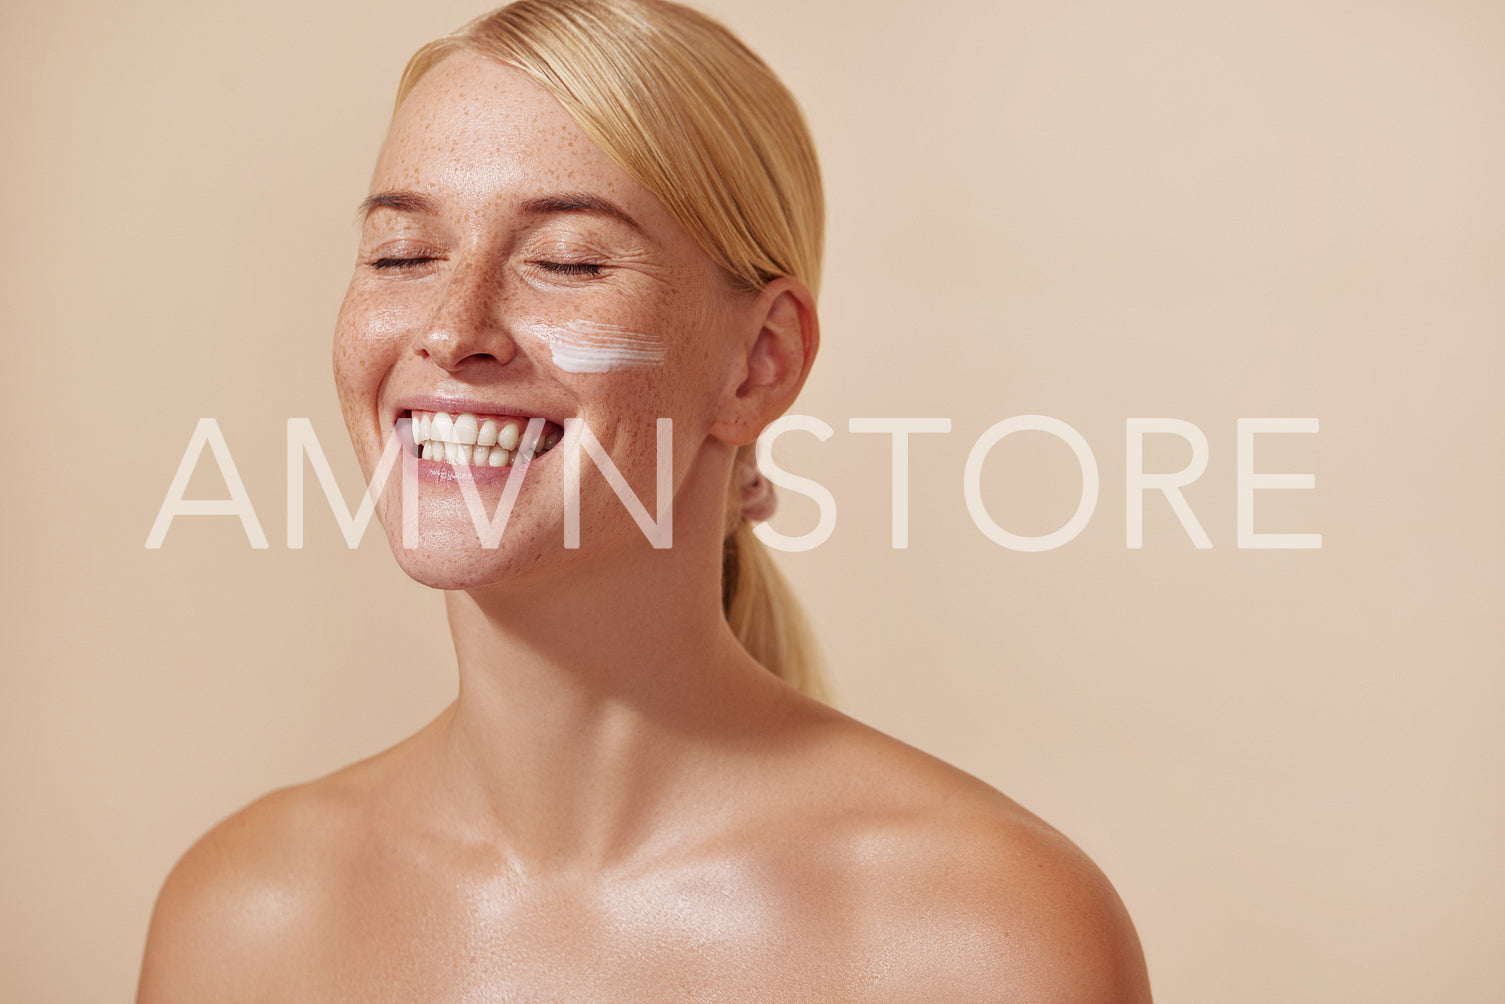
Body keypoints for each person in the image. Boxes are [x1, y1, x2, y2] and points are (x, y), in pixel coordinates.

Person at [137, 1, 1152, 999]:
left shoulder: (983, 938)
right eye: (403, 254)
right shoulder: (244, 916)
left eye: (566, 260)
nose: (452, 329)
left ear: (759, 362)